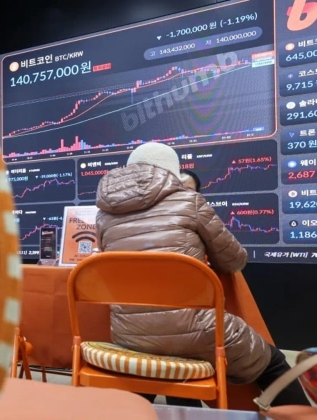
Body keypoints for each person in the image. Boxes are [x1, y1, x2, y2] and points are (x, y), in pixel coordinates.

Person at [95, 142, 310, 407]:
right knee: (274, 362)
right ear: (172, 170)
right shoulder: (190, 202)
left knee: (165, 362)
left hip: (129, 336)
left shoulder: (103, 216)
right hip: (196, 330)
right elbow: (234, 260)